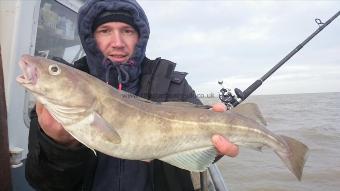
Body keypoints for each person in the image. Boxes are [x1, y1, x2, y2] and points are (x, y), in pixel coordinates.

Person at [25, 0, 239, 190]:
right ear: (91, 37)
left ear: (140, 36)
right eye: (105, 30)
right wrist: (58, 146)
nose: (117, 42)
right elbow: (42, 182)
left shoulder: (172, 83)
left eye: (127, 30)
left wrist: (215, 147)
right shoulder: (58, 95)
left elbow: (201, 156)